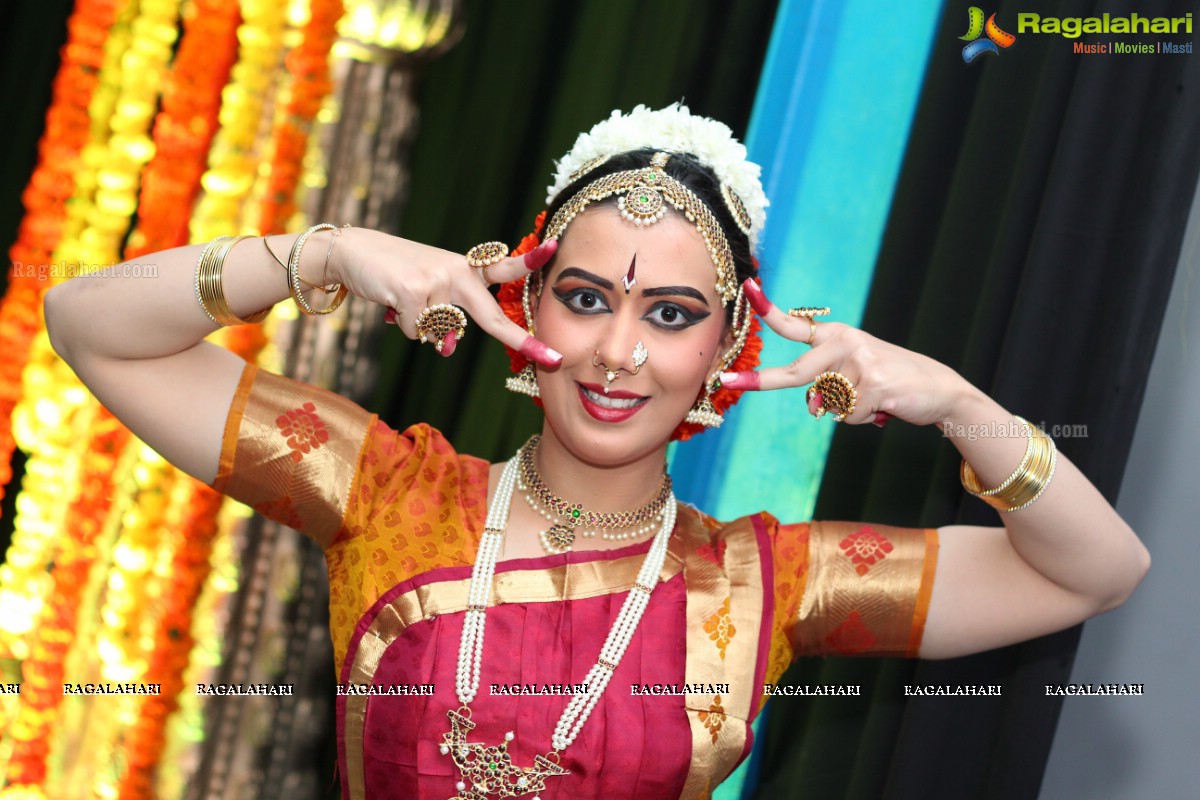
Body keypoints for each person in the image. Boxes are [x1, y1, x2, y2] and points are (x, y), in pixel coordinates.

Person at [44, 104, 1149, 800]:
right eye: (585, 298)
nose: (619, 352)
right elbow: (93, 326)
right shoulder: (388, 490)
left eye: (671, 313)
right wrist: (318, 252)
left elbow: (1097, 569)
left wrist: (957, 401)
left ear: (728, 347)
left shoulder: (764, 585)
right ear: (526, 302)